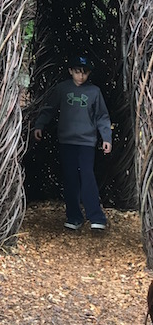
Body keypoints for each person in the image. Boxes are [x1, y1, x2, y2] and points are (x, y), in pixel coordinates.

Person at [33, 53, 112, 231]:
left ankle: (96, 217)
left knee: (87, 176)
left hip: (86, 142)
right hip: (67, 140)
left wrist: (106, 138)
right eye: (77, 71)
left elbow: (102, 116)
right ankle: (74, 216)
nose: (81, 76)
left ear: (89, 73)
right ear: (70, 71)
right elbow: (49, 109)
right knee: (70, 178)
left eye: (84, 72)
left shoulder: (94, 92)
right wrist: (39, 125)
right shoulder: (62, 89)